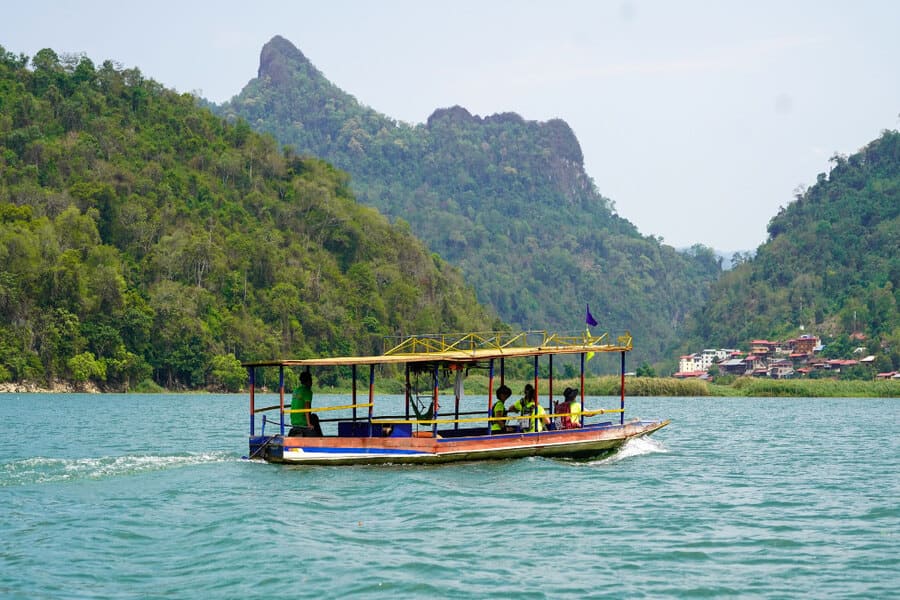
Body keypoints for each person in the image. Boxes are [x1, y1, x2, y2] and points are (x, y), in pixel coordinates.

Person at [290, 371, 322, 436]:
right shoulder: (307, 391)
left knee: (313, 416)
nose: (312, 382)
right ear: (308, 381)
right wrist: (308, 424)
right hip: (302, 422)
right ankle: (320, 438)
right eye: (311, 380)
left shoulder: (296, 390)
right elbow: (307, 408)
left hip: (294, 422)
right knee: (314, 418)